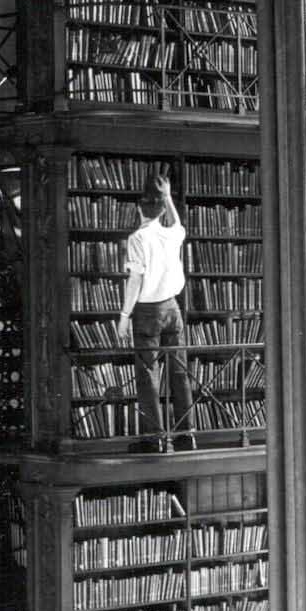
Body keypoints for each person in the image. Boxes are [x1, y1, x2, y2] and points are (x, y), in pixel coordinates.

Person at [115, 170, 195, 452]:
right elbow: (177, 221)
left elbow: (135, 280)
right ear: (162, 209)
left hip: (148, 312)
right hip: (173, 307)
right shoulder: (173, 233)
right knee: (179, 372)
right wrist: (168, 195)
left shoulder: (137, 238)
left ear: (138, 209)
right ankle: (187, 435)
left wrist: (124, 317)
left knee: (148, 375)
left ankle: (155, 439)